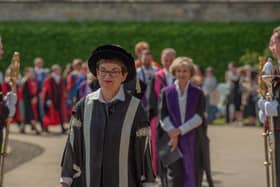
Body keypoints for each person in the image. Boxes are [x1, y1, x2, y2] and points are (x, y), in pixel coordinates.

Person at [60, 45, 154, 187]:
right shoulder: (84, 106)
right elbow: (73, 144)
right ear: (96, 73)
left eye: (114, 71)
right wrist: (66, 179)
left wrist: (147, 183)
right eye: (103, 70)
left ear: (124, 75)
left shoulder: (135, 109)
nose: (107, 76)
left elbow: (143, 152)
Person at [158, 57, 207, 187]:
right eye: (178, 71)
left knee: (193, 174)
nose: (182, 74)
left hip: (193, 140)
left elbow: (199, 117)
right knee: (174, 176)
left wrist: (179, 131)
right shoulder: (166, 92)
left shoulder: (198, 93)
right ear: (174, 72)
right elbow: (163, 116)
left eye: (185, 71)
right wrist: (173, 133)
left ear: (191, 73)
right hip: (171, 141)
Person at [147, 48, 176, 174]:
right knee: (157, 145)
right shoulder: (156, 77)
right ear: (161, 60)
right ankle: (158, 171)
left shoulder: (180, 75)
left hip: (177, 118)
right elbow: (151, 99)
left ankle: (176, 171)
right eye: (166, 60)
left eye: (171, 60)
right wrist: (157, 115)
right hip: (158, 117)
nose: (168, 62)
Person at [259, 26, 280, 187]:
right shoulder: (275, 68)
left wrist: (275, 108)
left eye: (274, 43)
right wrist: (266, 110)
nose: (271, 48)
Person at [41, 64, 67, 133]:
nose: (59, 71)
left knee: (60, 113)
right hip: (51, 99)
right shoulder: (49, 79)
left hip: (58, 99)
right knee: (48, 114)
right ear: (54, 70)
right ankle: (45, 127)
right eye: (58, 70)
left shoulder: (61, 78)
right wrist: (47, 99)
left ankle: (62, 128)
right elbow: (46, 90)